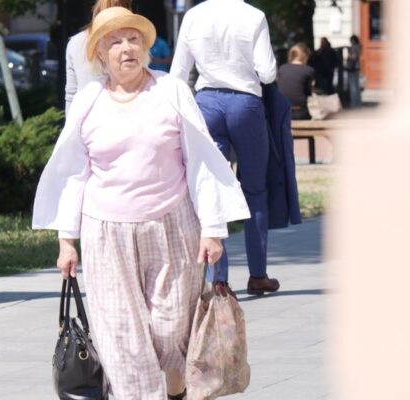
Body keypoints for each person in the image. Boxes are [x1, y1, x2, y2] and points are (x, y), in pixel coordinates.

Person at [32, 7, 250, 400]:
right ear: (100, 53)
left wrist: (213, 229)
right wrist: (67, 240)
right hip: (106, 233)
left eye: (133, 39)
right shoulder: (88, 100)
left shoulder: (171, 91)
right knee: (123, 339)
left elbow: (200, 161)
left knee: (171, 329)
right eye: (115, 42)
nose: (126, 48)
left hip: (172, 225)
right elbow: (73, 173)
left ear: (145, 48)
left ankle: (175, 388)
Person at [170, 0, 281, 296]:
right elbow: (267, 73)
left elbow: (178, 73)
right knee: (255, 190)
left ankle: (218, 280)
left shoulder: (193, 16)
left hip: (207, 102)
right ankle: (258, 275)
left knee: (211, 189)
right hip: (245, 103)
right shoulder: (254, 16)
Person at [64, 0, 132, 111]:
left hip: (84, 114)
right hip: (121, 112)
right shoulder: (131, 43)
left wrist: (71, 121)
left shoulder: (75, 42)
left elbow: (71, 94)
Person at [277, 43, 315, 120]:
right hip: (301, 112)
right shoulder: (308, 70)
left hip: (282, 111)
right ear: (304, 55)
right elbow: (309, 93)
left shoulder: (281, 69)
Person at [345, 34, 362, 107]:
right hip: (356, 68)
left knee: (353, 87)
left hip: (352, 68)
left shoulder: (354, 47)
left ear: (353, 40)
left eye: (351, 40)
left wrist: (349, 55)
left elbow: (354, 57)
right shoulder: (359, 47)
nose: (350, 41)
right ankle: (358, 102)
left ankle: (354, 103)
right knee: (356, 86)